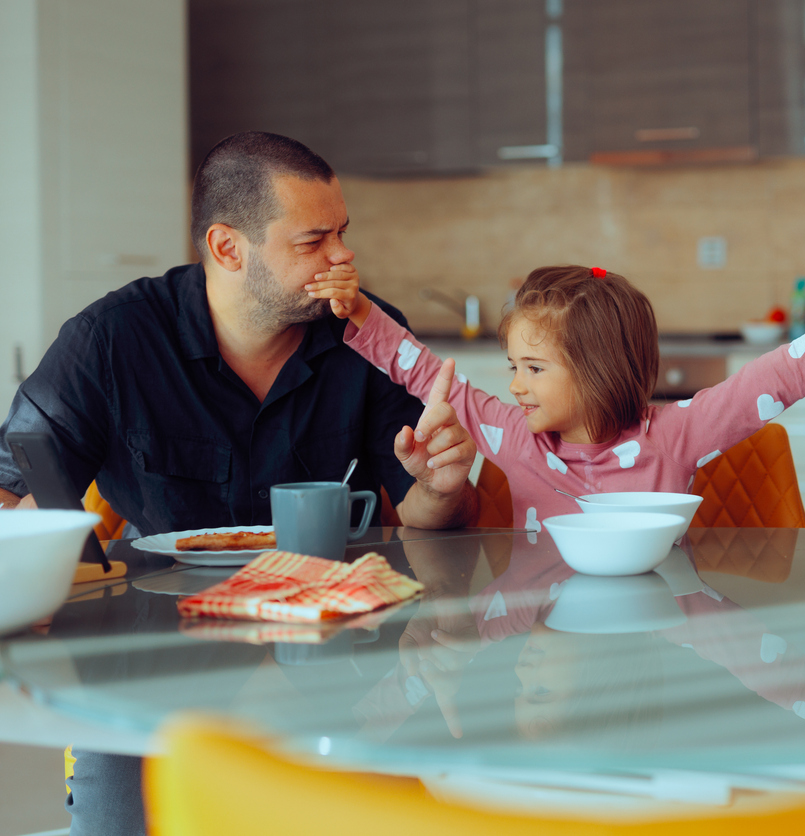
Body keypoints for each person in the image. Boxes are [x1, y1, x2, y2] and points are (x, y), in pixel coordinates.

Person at [0, 131, 479, 836]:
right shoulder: (113, 339)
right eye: (314, 241)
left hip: (336, 659)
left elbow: (430, 517)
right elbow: (10, 484)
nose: (343, 257)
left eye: (342, 234)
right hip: (149, 666)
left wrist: (441, 485)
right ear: (227, 249)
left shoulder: (369, 336)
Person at [305, 262, 805, 531]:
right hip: (543, 625)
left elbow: (774, 377)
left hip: (657, 631)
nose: (514, 384)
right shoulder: (513, 437)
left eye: (534, 367)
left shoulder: (675, 436)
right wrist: (361, 313)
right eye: (514, 365)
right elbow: (422, 371)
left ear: (598, 368)